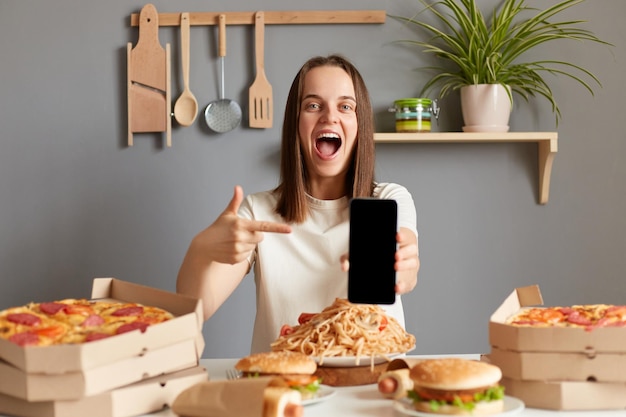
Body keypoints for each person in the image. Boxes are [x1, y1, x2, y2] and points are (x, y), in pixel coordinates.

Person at [176, 54, 420, 353]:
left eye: (345, 106)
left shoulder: (389, 199)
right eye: (313, 105)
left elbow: (405, 261)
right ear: (296, 123)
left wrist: (402, 269)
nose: (329, 117)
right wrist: (201, 249)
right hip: (284, 385)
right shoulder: (258, 213)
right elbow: (195, 310)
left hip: (370, 383)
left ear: (360, 125)